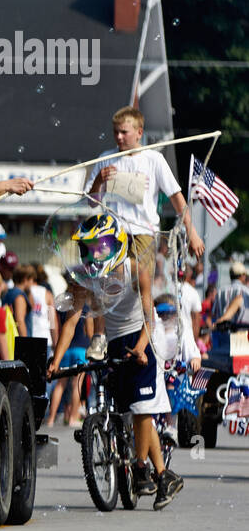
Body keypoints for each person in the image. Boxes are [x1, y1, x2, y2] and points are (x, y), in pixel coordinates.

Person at [49, 213, 183, 509]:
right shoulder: (88, 280)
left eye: (101, 246)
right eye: (89, 248)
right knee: (128, 410)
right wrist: (55, 362)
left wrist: (141, 347)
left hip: (143, 336)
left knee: (141, 408)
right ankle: (161, 474)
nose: (95, 254)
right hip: (114, 343)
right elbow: (71, 323)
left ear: (118, 244)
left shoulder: (136, 271)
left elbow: (149, 315)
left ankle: (139, 466)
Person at [87, 106, 206, 353]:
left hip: (143, 233)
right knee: (103, 282)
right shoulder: (105, 158)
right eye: (115, 132)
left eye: (124, 132)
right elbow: (91, 202)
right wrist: (99, 180)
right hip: (113, 232)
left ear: (139, 132)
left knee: (141, 287)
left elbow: (176, 198)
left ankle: (144, 339)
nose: (118, 137)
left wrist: (191, 232)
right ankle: (99, 336)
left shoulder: (153, 159)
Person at [211, 260, 249, 328]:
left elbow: (214, 314)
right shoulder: (246, 292)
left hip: (222, 334)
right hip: (240, 334)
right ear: (242, 276)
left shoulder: (220, 291)